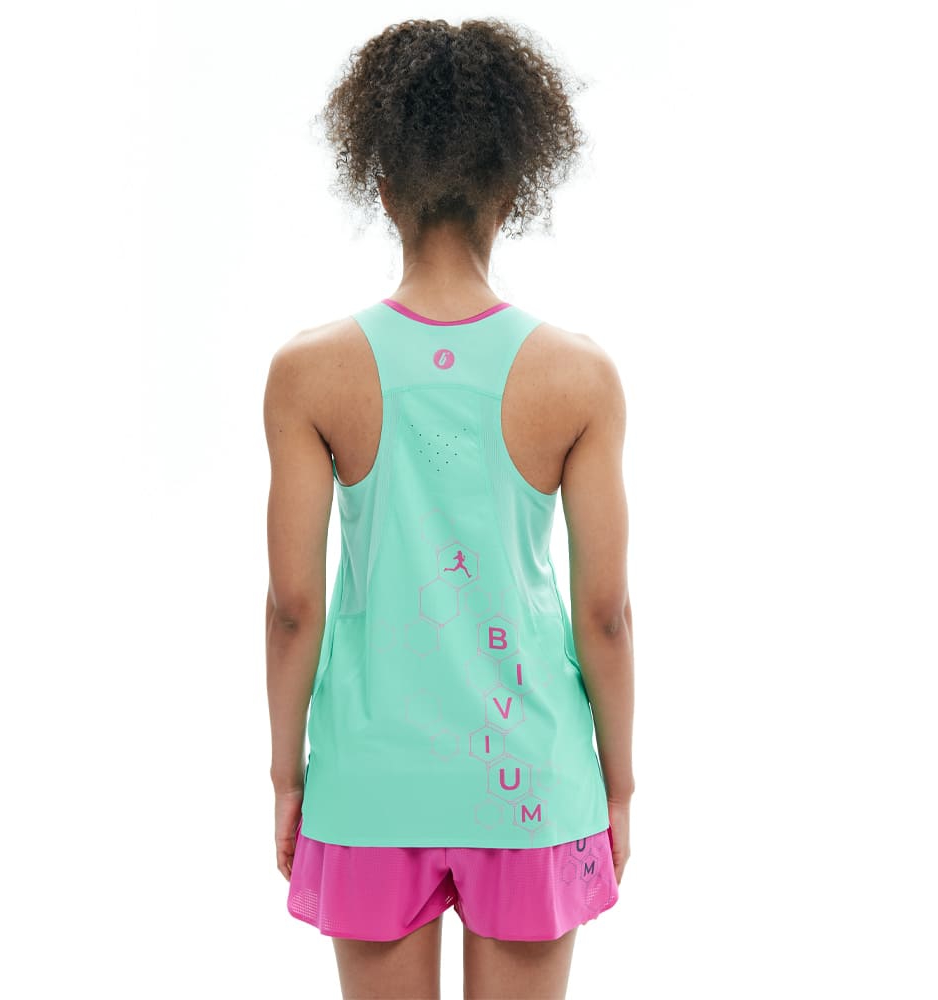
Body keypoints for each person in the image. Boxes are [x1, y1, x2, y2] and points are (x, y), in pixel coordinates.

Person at [264, 18, 634, 999]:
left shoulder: (309, 372)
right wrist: (620, 782)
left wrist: (287, 776)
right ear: (513, 187)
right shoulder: (578, 376)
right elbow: (605, 613)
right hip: (531, 778)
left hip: (368, 781)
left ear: (382, 184)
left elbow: (293, 607)